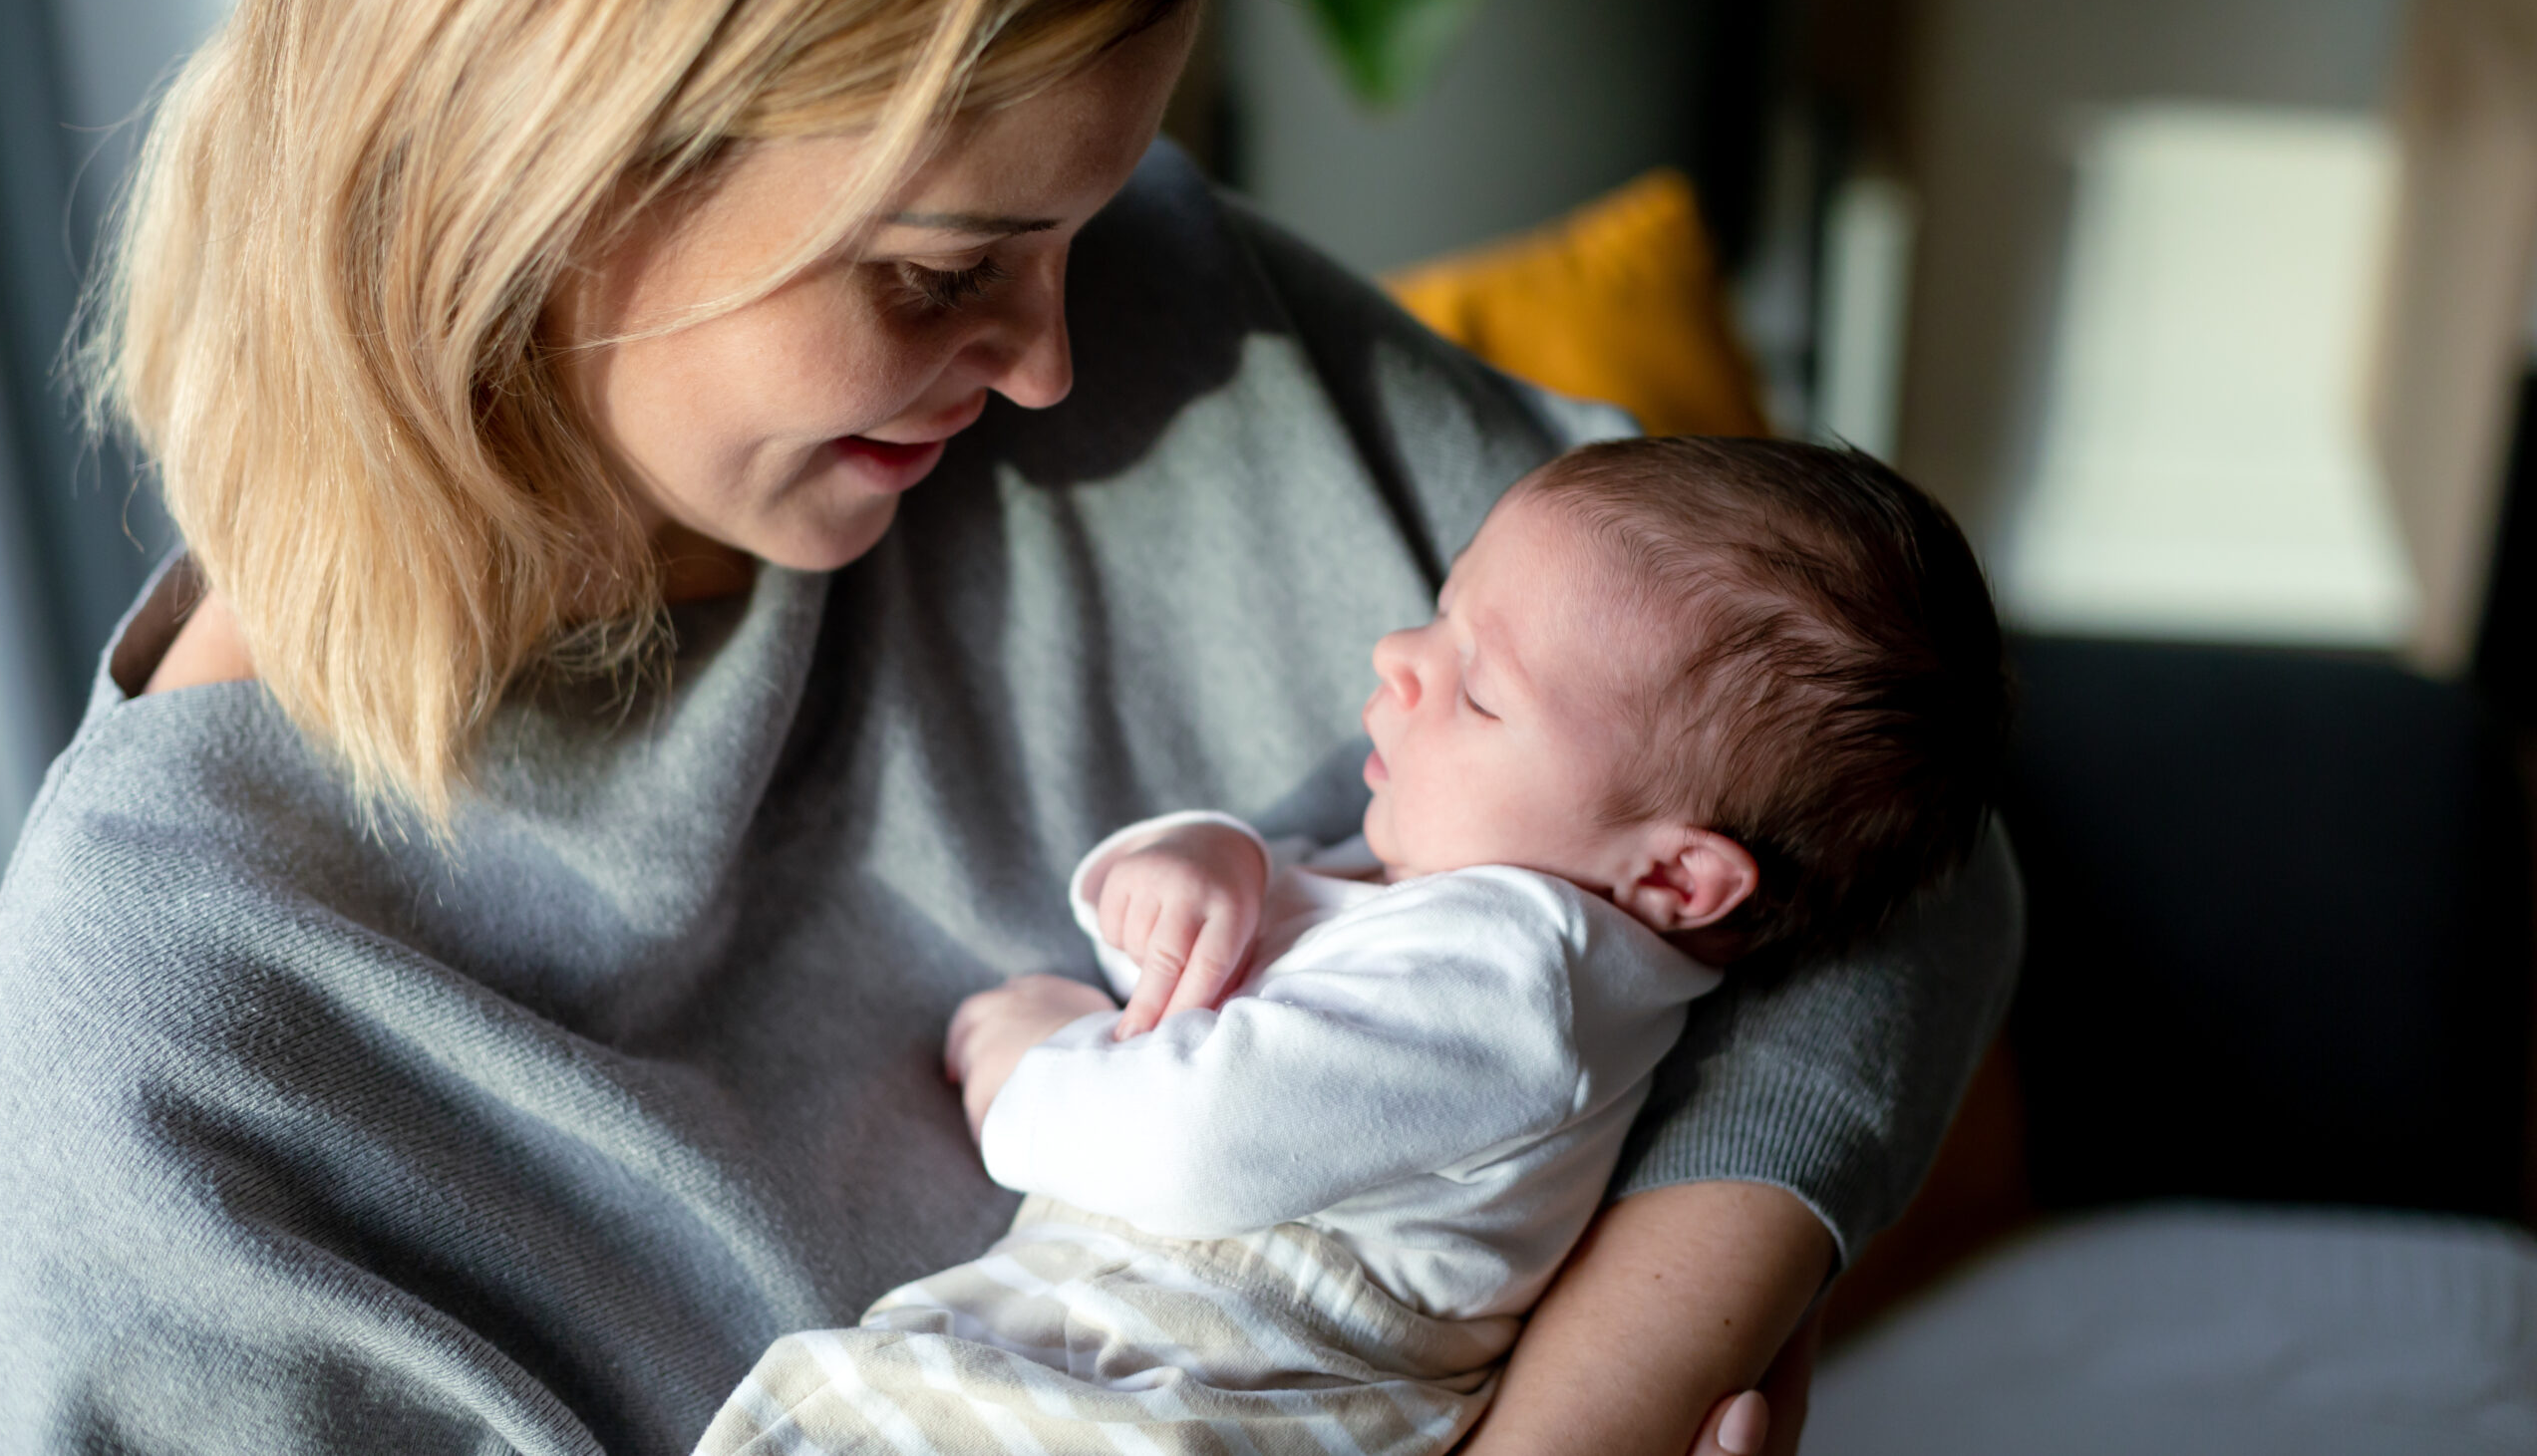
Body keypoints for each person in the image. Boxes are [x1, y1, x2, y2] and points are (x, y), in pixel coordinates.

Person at [0, 0, 2022, 1453]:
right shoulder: (169, 1049)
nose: (1047, 365)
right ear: (553, 158)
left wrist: (1594, 1398)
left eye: (1069, 230)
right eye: (940, 265)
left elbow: (1870, 834)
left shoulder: (1143, 333)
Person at [701, 437, 2012, 1454]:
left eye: (1480, 687)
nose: (1397, 660)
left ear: (1673, 873)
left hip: (1212, 1385)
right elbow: (1210, 989)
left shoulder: (1518, 980)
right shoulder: (1460, 900)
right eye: (1440, 613)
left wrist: (1034, 1062)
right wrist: (1200, 860)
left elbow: (1186, 1135)